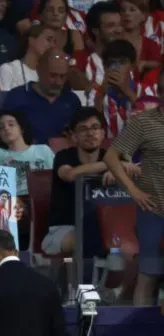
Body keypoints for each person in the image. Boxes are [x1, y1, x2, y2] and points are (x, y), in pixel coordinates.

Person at [103, 68, 164, 307]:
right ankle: (142, 333)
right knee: (148, 276)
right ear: (158, 92)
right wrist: (133, 190)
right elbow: (111, 157)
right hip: (154, 210)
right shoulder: (142, 122)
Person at [43, 108, 112, 257]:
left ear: (102, 133)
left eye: (95, 128)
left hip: (106, 227)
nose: (90, 133)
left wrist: (119, 171)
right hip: (63, 229)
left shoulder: (111, 157)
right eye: (83, 129)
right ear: (73, 136)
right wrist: (111, 165)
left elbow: (134, 172)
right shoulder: (64, 157)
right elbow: (71, 174)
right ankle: (84, 281)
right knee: (87, 238)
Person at [1, 52, 81, 144]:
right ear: (39, 70)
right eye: (53, 75)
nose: (58, 82)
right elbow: (2, 135)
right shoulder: (16, 97)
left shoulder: (72, 100)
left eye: (63, 76)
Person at [0, 23, 57, 91]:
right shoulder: (9, 69)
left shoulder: (48, 76)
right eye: (48, 40)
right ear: (31, 40)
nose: (52, 46)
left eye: (54, 42)